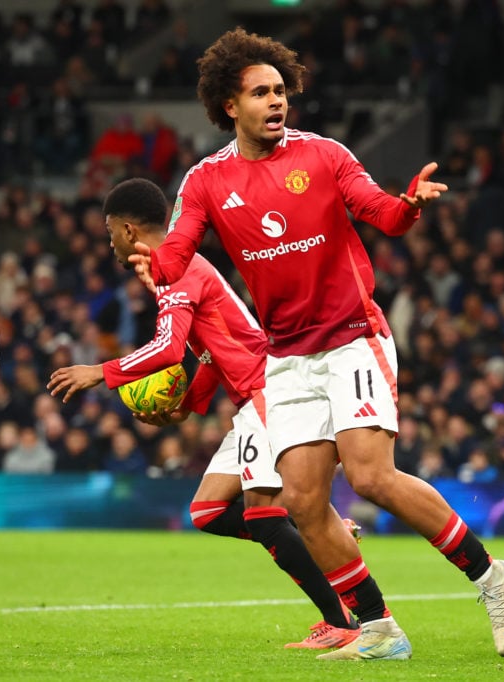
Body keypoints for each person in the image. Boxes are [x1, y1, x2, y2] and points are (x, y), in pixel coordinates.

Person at [130, 28, 504, 661]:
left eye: (281, 90)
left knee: (370, 476)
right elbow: (178, 253)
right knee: (304, 502)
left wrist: (410, 204)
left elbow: (384, 215)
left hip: (352, 339)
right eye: (261, 93)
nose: (276, 102)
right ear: (230, 105)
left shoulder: (324, 155)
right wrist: (155, 263)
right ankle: (378, 629)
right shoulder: (205, 180)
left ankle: (490, 577)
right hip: (286, 357)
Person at [47, 177, 361, 650]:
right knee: (208, 511)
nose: (109, 240)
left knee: (261, 518)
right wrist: (190, 405)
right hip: (252, 396)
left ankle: (341, 618)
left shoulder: (175, 268)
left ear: (128, 230)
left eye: (110, 230)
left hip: (268, 391)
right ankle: (319, 531)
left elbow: (168, 349)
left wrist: (101, 372)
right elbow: (212, 351)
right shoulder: (176, 267)